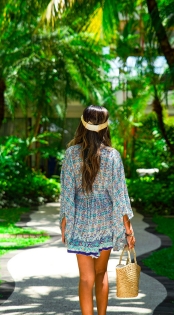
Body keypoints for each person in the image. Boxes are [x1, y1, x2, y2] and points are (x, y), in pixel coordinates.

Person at [60, 105, 136, 315]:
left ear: (82, 124)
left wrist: (65, 223)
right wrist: (128, 229)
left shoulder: (71, 154)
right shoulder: (112, 156)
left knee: (86, 278)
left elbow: (67, 194)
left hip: (80, 221)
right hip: (105, 221)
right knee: (101, 274)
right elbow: (120, 196)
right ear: (105, 126)